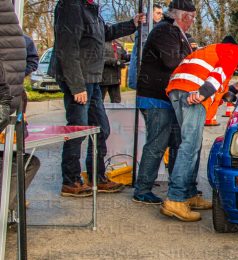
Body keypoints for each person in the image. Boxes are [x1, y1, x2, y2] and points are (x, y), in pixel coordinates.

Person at [49, 0, 145, 197]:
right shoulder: (71, 6)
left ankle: (97, 176)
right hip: (79, 80)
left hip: (92, 79)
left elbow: (105, 33)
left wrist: (131, 23)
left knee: (101, 129)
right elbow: (66, 48)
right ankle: (71, 180)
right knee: (78, 130)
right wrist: (76, 86)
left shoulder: (90, 8)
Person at [161, 35, 238, 222]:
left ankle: (189, 193)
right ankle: (176, 198)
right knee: (190, 145)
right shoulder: (232, 50)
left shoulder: (208, 51)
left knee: (190, 143)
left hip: (177, 89)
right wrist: (202, 92)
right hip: (192, 91)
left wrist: (228, 91)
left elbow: (216, 82)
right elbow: (219, 74)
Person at [133, 0, 196, 204]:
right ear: (181, 16)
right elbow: (172, 61)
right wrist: (191, 58)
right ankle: (142, 189)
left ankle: (179, 187)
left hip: (170, 98)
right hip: (156, 98)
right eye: (191, 18)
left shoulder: (176, 32)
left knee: (178, 142)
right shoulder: (165, 31)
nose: (192, 22)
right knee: (157, 143)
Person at [0, 0, 40, 216]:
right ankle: (8, 204)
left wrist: (19, 75)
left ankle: (11, 202)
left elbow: (32, 60)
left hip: (11, 99)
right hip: (9, 99)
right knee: (21, 161)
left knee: (20, 156)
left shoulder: (23, 39)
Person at [128, 2, 163, 89]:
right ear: (150, 13)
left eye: (161, 14)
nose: (160, 16)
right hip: (143, 68)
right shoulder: (144, 28)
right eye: (158, 13)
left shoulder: (158, 27)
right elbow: (144, 48)